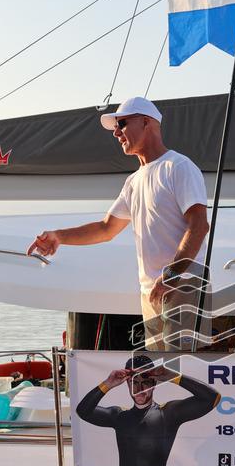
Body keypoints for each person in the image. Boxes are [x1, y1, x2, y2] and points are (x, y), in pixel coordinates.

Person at [28, 96, 209, 351]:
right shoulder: (133, 182)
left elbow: (199, 226)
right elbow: (106, 228)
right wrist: (58, 236)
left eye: (121, 123)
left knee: (179, 375)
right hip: (152, 291)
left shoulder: (178, 167)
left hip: (182, 285)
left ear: (146, 122)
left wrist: (171, 276)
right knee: (158, 376)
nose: (116, 133)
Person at [75, 355, 220, 466]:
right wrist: (108, 383)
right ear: (127, 384)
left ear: (155, 383)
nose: (139, 390)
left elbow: (212, 398)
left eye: (145, 383)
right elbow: (83, 411)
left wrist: (173, 376)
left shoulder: (168, 414)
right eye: (134, 383)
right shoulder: (119, 416)